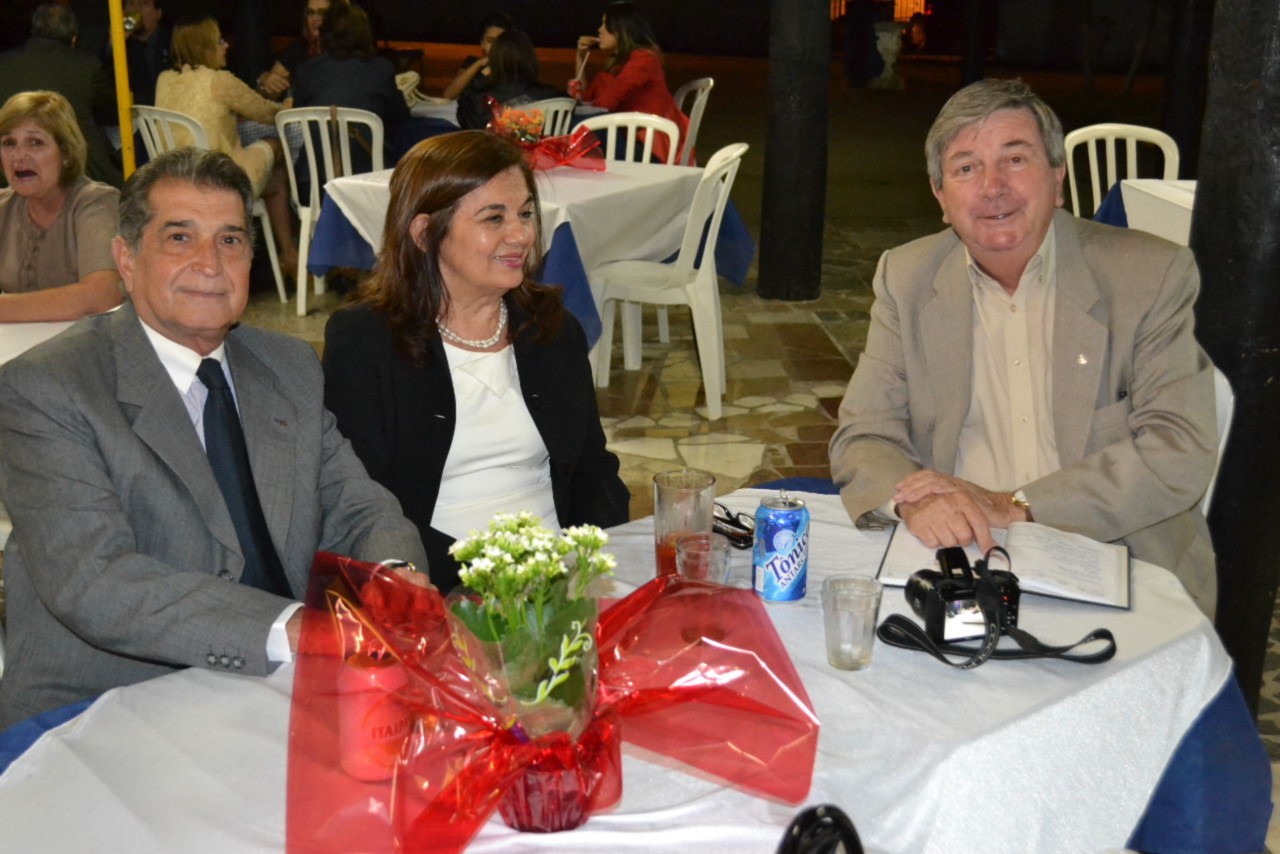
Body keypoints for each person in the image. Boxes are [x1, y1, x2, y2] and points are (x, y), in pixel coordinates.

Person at [0, 147, 428, 727]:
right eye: (179, 238)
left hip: (280, 691)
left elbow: (356, 503)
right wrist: (293, 629)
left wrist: (392, 577)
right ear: (126, 259)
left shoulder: (287, 365)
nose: (210, 263)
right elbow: (96, 580)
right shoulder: (48, 386)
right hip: (108, 706)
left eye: (230, 240)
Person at [828, 79, 1218, 616]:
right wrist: (920, 502)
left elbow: (1178, 448)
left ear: (1057, 179)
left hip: (1115, 559)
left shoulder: (1147, 275)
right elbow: (866, 433)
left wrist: (1016, 507)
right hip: (959, 556)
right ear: (941, 197)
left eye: (1015, 160)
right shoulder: (907, 277)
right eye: (966, 168)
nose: (993, 187)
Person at [323, 131, 630, 592]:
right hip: (442, 584)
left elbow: (593, 470)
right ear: (425, 233)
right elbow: (363, 503)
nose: (521, 235)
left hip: (559, 577)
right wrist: (495, 582)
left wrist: (596, 564)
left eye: (525, 213)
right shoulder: (366, 340)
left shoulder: (551, 329)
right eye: (494, 218)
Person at [156, 14, 299, 280]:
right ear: (204, 46)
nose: (226, 46)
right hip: (219, 182)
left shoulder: (164, 79)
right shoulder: (219, 80)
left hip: (175, 180)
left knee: (275, 178)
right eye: (220, 41)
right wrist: (291, 102)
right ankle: (290, 255)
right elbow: (269, 113)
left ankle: (287, 256)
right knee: (276, 148)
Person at [0, 90, 122, 321]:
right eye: (9, 143)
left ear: (65, 153)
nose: (18, 156)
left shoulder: (96, 204)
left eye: (35, 143)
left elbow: (102, 296)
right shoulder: (4, 207)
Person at [0, 3, 121, 188]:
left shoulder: (4, 63)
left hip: (8, 171)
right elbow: (112, 113)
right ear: (73, 39)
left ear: (34, 30)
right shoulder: (87, 65)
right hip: (80, 172)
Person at [293, 1, 408, 167]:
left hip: (315, 175)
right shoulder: (382, 70)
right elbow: (400, 118)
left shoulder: (307, 71)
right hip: (370, 175)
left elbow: (298, 119)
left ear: (325, 32)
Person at [573, 1, 689, 164]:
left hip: (650, 149)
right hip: (632, 138)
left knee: (586, 126)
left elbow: (606, 102)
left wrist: (580, 113)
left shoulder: (644, 59)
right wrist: (580, 56)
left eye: (606, 24)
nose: (600, 29)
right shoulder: (620, 63)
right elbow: (586, 98)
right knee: (585, 124)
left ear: (621, 29)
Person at [457, 30, 565, 131]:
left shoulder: (480, 100)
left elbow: (464, 116)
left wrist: (480, 78)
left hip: (495, 146)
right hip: (540, 146)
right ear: (531, 60)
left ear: (495, 62)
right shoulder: (554, 96)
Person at [256, 0, 347, 100]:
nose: (315, 18)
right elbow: (268, 95)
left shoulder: (350, 49)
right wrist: (264, 82)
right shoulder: (297, 49)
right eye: (311, 12)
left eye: (322, 12)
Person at [442, 12, 515, 102]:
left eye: (500, 41)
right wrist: (478, 64)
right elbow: (449, 94)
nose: (495, 46)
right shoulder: (472, 63)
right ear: (482, 43)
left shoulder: (514, 67)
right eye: (490, 41)